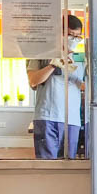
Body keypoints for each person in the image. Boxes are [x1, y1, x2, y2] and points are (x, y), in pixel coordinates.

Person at [26, 15, 85, 159]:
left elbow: (85, 87)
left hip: (72, 120)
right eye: (70, 35)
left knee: (68, 168)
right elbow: (33, 80)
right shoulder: (41, 53)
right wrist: (53, 64)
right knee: (47, 168)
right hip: (47, 117)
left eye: (77, 37)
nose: (74, 40)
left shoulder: (82, 58)